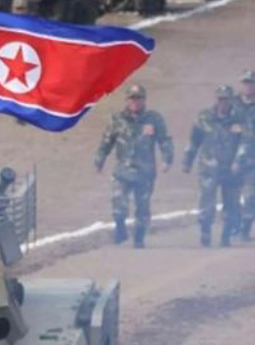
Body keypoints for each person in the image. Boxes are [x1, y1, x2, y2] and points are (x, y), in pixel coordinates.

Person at [95, 84, 173, 248]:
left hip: (145, 172)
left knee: (142, 208)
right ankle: (120, 228)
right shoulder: (118, 119)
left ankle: (139, 238)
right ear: (127, 100)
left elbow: (164, 140)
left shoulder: (154, 119)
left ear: (144, 100)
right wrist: (100, 160)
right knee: (118, 205)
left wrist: (167, 159)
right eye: (132, 99)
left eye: (138, 98)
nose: (135, 102)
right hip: (122, 171)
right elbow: (107, 141)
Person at [182, 85, 249, 247]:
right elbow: (194, 140)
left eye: (225, 99)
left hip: (231, 169)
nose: (222, 103)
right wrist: (187, 161)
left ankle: (226, 235)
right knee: (206, 202)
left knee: (232, 204)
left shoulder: (240, 118)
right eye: (220, 99)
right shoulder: (204, 117)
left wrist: (238, 162)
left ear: (231, 100)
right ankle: (205, 232)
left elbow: (246, 142)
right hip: (208, 167)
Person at [236, 70, 255, 240]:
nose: (248, 86)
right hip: (230, 158)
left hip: (252, 159)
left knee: (250, 194)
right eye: (245, 82)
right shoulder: (231, 104)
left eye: (251, 83)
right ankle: (231, 228)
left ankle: (245, 229)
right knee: (232, 194)